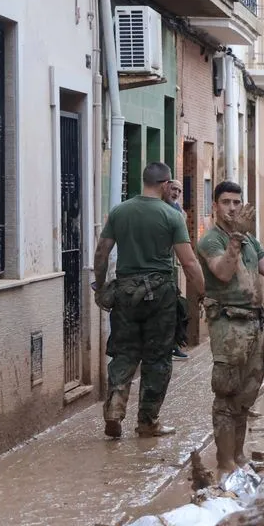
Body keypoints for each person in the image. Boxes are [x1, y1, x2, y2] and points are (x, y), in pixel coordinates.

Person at [93, 163, 205, 439]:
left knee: (124, 353)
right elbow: (189, 262)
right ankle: (147, 421)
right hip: (160, 295)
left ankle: (115, 408)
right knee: (157, 359)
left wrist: (99, 287)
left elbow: (101, 252)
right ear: (166, 184)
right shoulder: (171, 215)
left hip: (125, 294)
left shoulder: (119, 212)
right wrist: (206, 293)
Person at [196, 182, 264, 476]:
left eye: (237, 202)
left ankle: (238, 455)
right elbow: (222, 273)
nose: (232, 208)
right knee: (226, 394)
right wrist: (235, 238)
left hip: (253, 324)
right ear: (215, 206)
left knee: (247, 394)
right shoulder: (212, 240)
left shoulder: (250, 240)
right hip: (227, 325)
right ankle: (224, 463)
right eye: (226, 202)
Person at [165, 181, 191, 361]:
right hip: (160, 267)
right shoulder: (163, 208)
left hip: (170, 266)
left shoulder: (178, 211)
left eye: (180, 190)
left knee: (177, 308)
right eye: (174, 189)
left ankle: (174, 344)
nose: (177, 193)